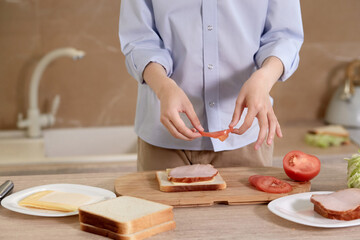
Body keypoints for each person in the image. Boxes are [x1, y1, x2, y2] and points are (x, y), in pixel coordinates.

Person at [119, 0, 303, 171]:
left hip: (244, 137)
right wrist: (163, 87)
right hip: (164, 137)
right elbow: (140, 39)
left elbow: (284, 36)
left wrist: (264, 77)